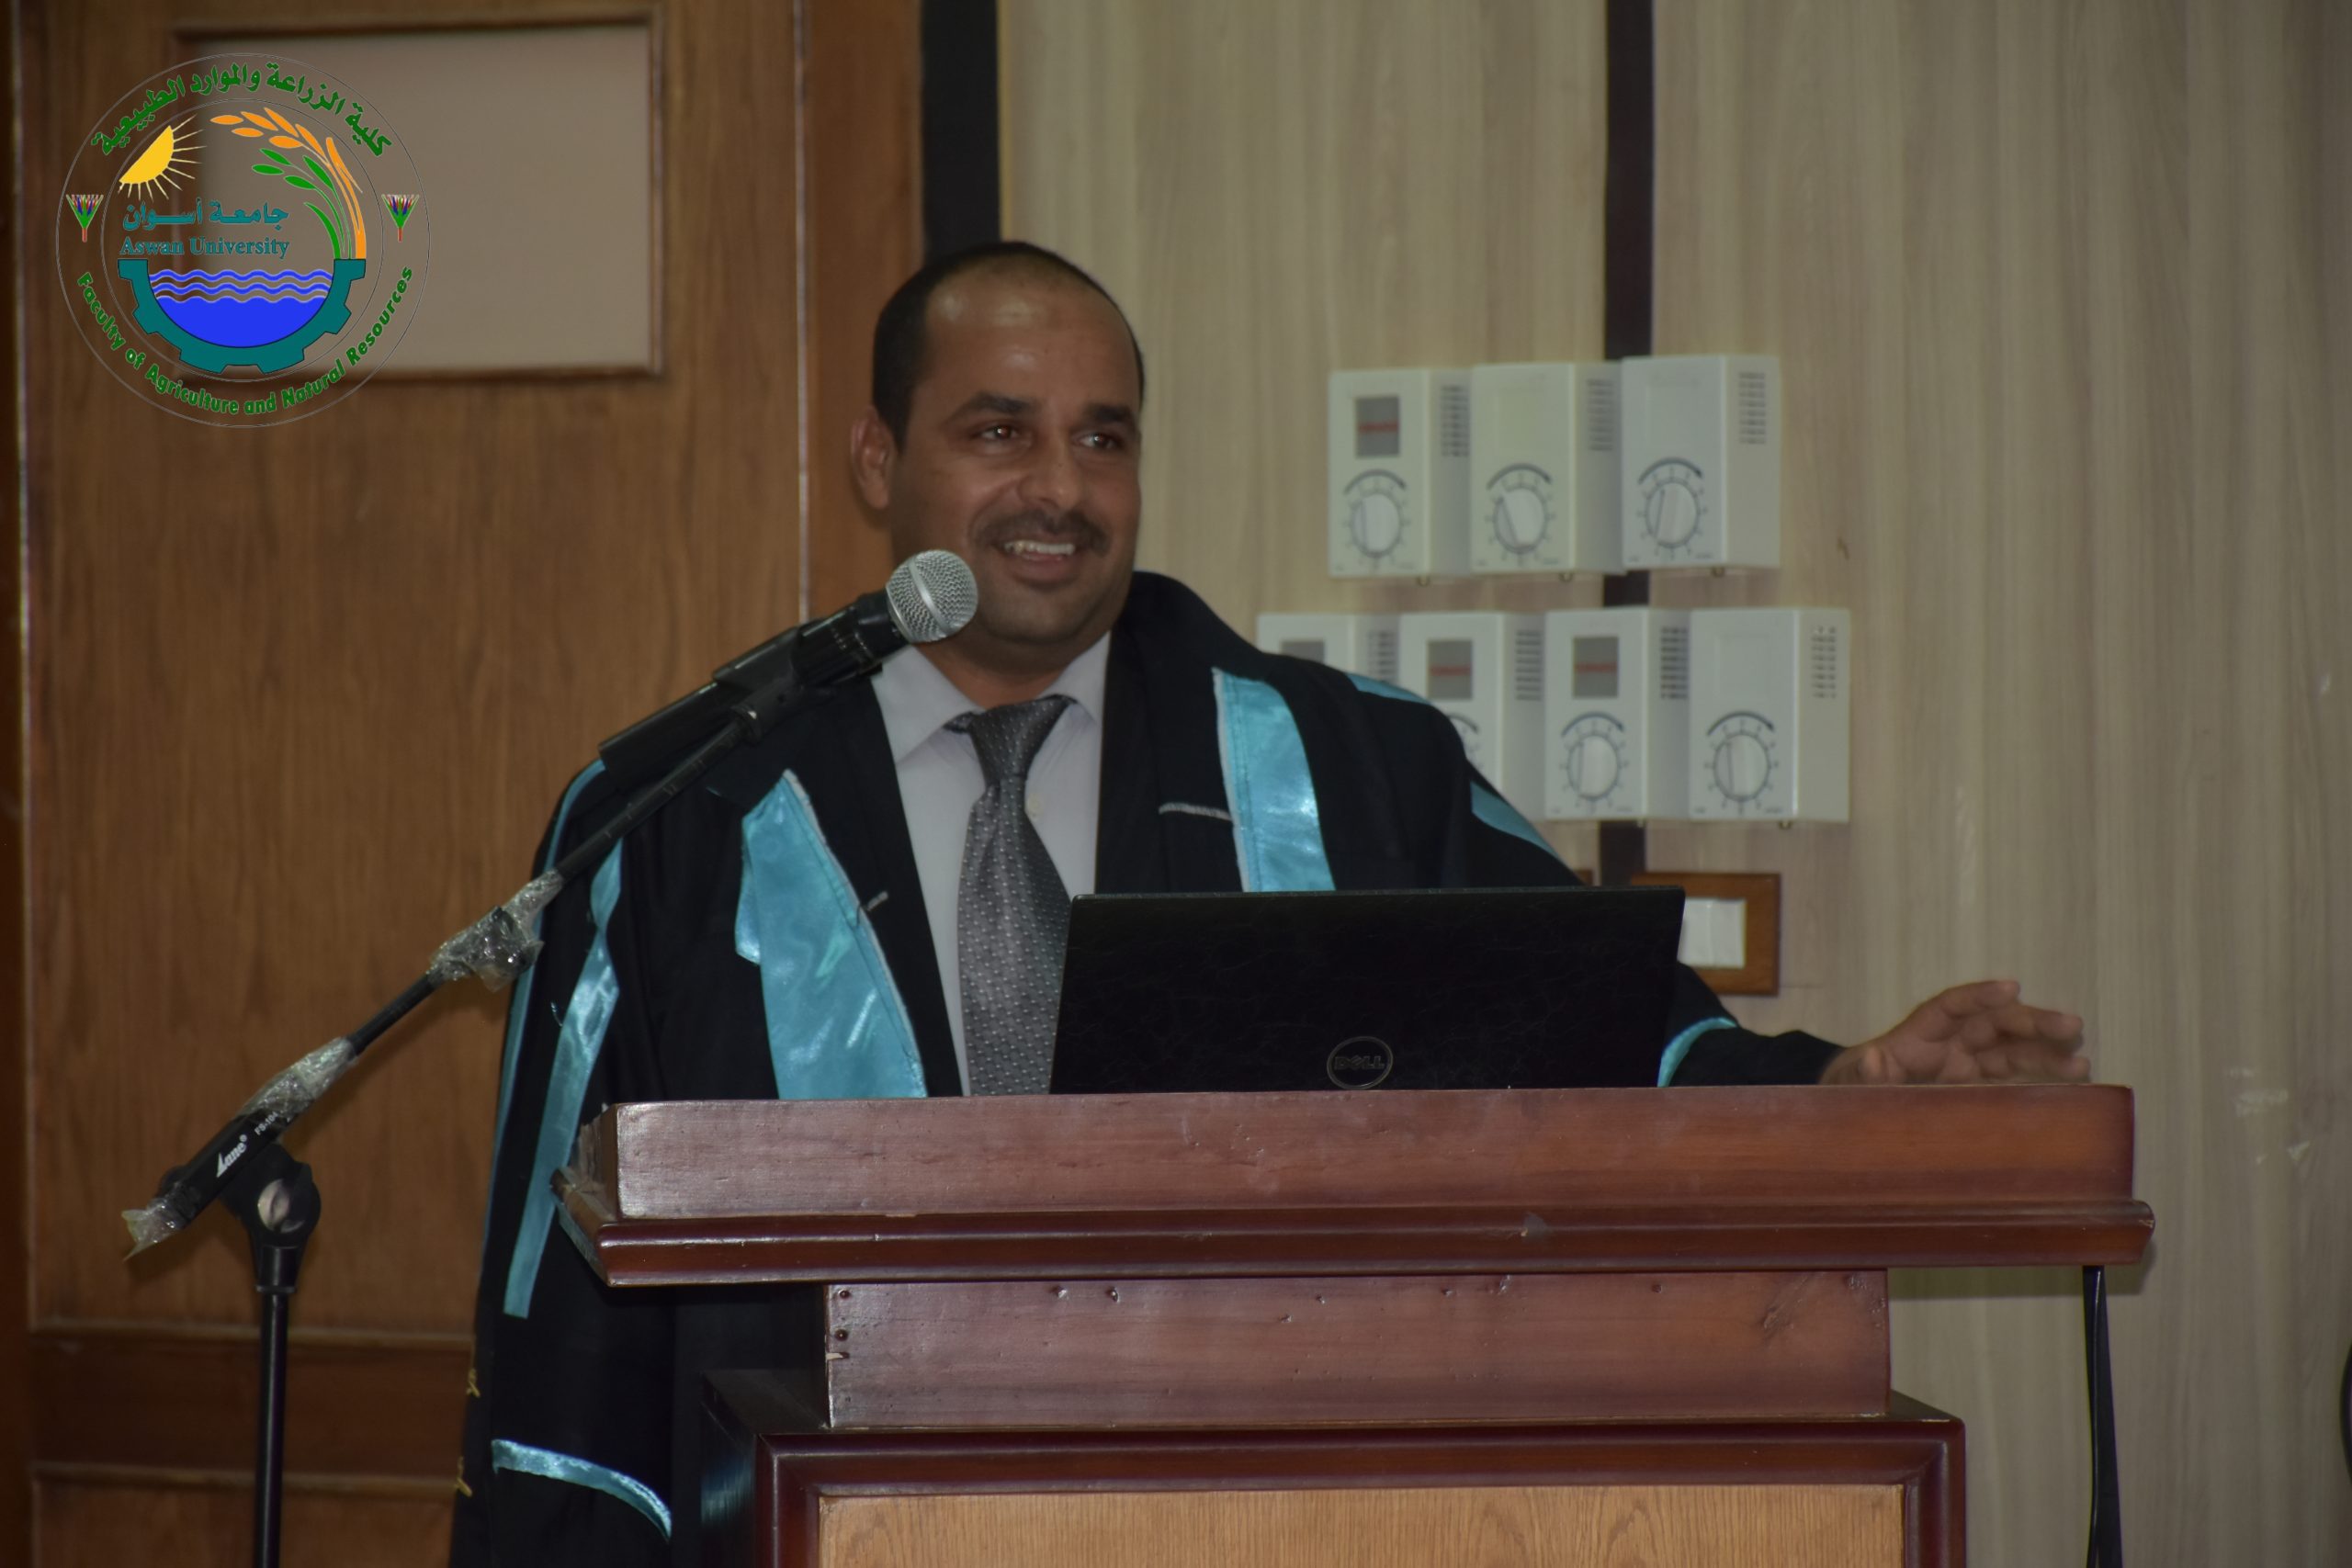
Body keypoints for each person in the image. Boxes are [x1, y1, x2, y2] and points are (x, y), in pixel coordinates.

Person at [450, 241, 2087, 1565]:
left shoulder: (1351, 772)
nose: (1061, 487)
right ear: (881, 460)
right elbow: (557, 1326)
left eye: (1105, 437)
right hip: (830, 1525)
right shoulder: (676, 820)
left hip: (1249, 1518)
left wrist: (1835, 1088)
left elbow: (1599, 1031)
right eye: (999, 430)